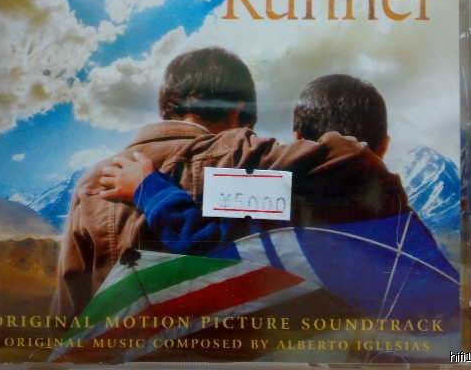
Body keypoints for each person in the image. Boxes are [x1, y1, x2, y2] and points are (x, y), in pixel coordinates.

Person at [52, 51, 401, 318]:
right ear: (237, 111)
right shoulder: (243, 152)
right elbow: (353, 158)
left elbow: (69, 313)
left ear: (167, 105)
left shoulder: (94, 181)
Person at [94, 74, 397, 254]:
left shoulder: (282, 189)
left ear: (297, 139)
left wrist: (149, 189)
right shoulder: (396, 211)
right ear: (384, 145)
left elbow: (209, 244)